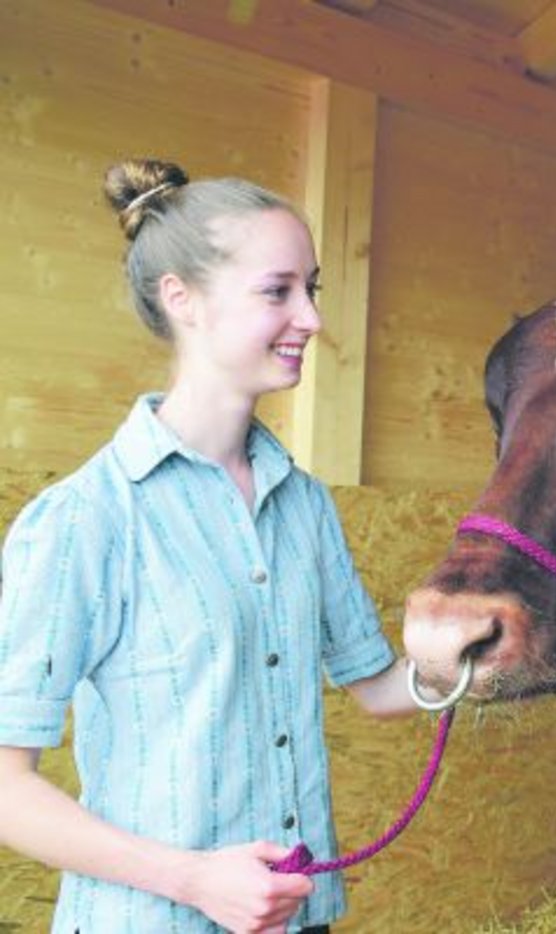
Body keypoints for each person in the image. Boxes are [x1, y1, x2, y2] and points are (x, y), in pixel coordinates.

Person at [0, 159, 427, 933]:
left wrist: (482, 649)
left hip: (300, 920)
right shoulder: (83, 520)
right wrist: (193, 879)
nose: (312, 319)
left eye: (313, 289)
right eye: (278, 291)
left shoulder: (305, 506)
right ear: (182, 299)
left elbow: (380, 690)